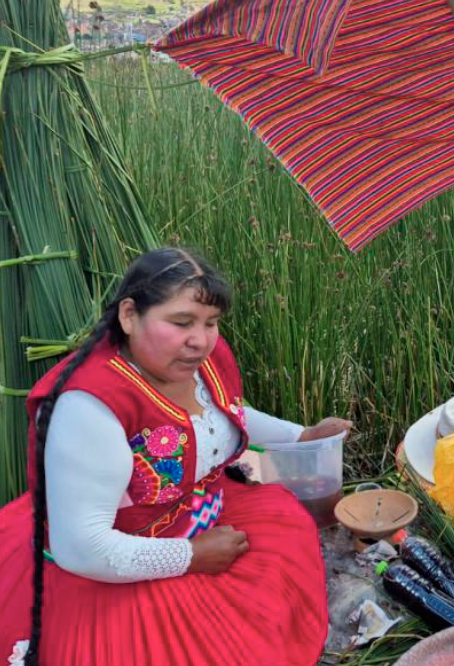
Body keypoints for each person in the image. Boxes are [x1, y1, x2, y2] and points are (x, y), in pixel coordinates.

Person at [0, 248, 351, 666]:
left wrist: (300, 436)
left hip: (199, 514)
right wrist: (190, 556)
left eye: (211, 323)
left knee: (286, 534)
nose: (200, 340)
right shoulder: (88, 407)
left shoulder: (196, 360)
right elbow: (82, 547)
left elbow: (224, 412)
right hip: (116, 568)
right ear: (129, 316)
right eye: (181, 322)